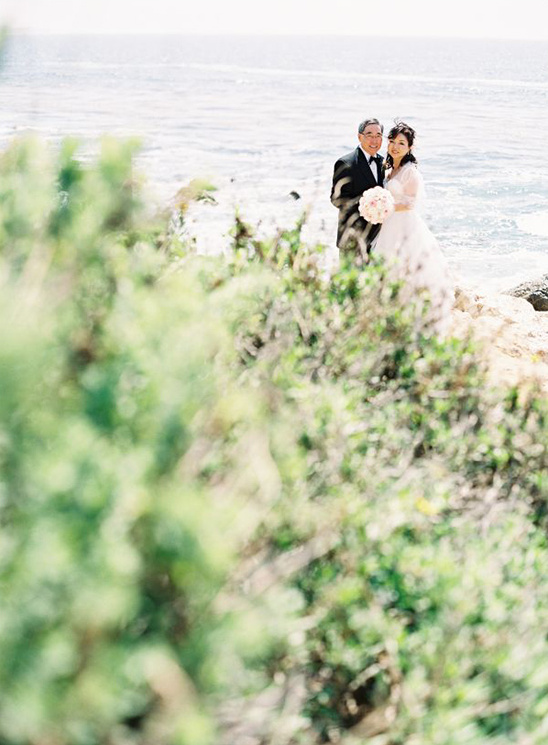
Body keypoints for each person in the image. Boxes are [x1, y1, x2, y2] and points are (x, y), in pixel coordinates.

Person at [372, 121, 453, 335]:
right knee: (388, 265)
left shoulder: (410, 172)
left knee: (406, 266)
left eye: (401, 143)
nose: (395, 146)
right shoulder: (389, 169)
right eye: (392, 142)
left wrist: (384, 207)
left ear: (409, 148)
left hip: (404, 225)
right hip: (389, 225)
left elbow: (410, 203)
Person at [330, 118, 385, 260]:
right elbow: (337, 200)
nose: (374, 140)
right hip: (352, 237)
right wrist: (367, 203)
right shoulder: (345, 163)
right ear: (359, 136)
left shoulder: (384, 163)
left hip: (379, 238)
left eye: (378, 136)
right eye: (369, 135)